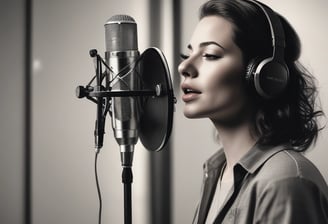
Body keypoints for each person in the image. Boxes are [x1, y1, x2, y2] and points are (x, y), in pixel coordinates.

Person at [178, 0, 328, 223]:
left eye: (210, 55)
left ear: (264, 73)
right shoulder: (216, 171)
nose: (184, 67)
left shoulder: (284, 182)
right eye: (186, 55)